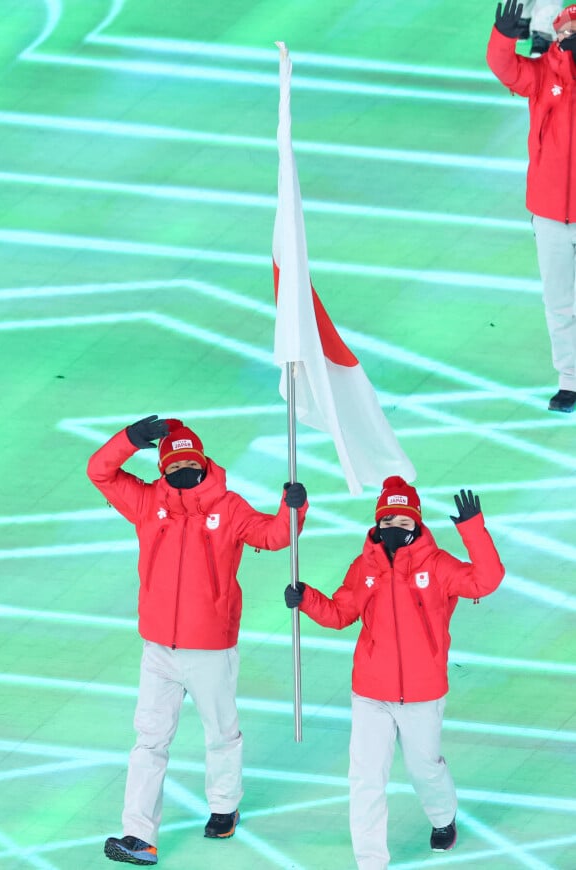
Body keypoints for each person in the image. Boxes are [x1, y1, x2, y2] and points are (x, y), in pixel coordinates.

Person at [87, 415, 308, 866]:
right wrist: (130, 440)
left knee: (221, 735)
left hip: (210, 649)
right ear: (161, 468)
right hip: (158, 650)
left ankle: (224, 808)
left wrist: (294, 509)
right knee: (149, 741)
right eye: (172, 466)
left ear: (204, 462)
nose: (180, 472)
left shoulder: (229, 508)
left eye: (189, 463)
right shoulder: (148, 503)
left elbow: (273, 535)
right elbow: (99, 471)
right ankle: (138, 837)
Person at [284, 476, 504, 870]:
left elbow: (486, 580)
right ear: (377, 525)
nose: (394, 531)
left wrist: (473, 529)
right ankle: (370, 862)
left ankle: (442, 818)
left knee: (425, 768)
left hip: (423, 693)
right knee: (365, 779)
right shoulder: (364, 567)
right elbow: (340, 614)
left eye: (402, 524)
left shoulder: (437, 566)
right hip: (371, 693)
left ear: (416, 525)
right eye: (387, 523)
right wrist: (307, 598)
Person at [487, 0, 576, 413]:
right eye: (566, 33)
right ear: (556, 37)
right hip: (549, 211)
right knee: (559, 301)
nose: (571, 40)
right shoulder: (542, 76)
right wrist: (504, 35)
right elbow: (504, 67)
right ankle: (570, 379)